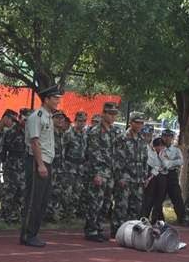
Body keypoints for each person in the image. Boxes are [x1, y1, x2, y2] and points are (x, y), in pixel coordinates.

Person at [20, 86, 62, 247]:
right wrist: (40, 164)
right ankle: (27, 234)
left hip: (46, 161)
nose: (58, 101)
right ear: (46, 99)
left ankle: (33, 233)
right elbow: (35, 141)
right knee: (33, 200)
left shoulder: (48, 116)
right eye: (55, 98)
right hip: (37, 161)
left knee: (43, 200)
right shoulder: (37, 116)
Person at [83, 101, 121, 242]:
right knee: (95, 202)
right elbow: (93, 153)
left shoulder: (115, 131)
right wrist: (97, 173)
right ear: (103, 114)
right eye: (110, 114)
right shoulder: (95, 131)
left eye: (114, 114)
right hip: (99, 172)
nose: (112, 117)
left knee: (106, 203)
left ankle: (98, 228)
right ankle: (91, 229)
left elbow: (117, 152)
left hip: (110, 173)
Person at [113, 112, 148, 234]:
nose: (139, 125)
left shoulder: (142, 139)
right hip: (125, 177)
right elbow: (116, 159)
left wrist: (144, 177)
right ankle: (117, 230)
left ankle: (129, 232)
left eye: (141, 123)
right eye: (136, 122)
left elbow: (144, 159)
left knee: (136, 207)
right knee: (121, 206)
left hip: (138, 179)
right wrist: (120, 177)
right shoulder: (122, 138)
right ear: (130, 123)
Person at [1, 109, 30, 224]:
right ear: (19, 119)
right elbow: (4, 149)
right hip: (12, 165)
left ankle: (16, 215)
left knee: (22, 191)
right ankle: (5, 215)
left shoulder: (29, 133)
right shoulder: (11, 132)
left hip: (24, 165)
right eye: (25, 119)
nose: (26, 122)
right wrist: (3, 163)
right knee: (10, 191)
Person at [62, 111, 88, 219]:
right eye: (80, 121)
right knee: (67, 191)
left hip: (80, 167)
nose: (82, 123)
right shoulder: (68, 134)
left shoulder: (85, 135)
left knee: (77, 191)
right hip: (69, 166)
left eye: (84, 121)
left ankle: (72, 214)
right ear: (75, 121)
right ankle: (64, 213)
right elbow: (63, 150)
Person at [48, 110, 70, 222]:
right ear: (52, 119)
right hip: (50, 167)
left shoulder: (62, 134)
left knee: (56, 191)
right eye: (58, 118)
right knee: (47, 191)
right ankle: (45, 215)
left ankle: (51, 214)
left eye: (62, 118)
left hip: (59, 168)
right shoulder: (48, 133)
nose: (61, 120)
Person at [160, 129, 185, 223]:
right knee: (159, 197)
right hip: (161, 174)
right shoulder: (159, 148)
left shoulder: (176, 150)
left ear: (172, 138)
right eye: (165, 136)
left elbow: (181, 161)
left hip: (172, 174)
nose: (167, 138)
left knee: (177, 196)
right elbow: (162, 162)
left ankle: (182, 218)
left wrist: (170, 162)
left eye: (169, 136)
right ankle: (158, 218)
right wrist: (172, 162)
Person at [142, 137, 167, 223]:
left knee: (159, 199)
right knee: (148, 199)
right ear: (154, 146)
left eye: (162, 146)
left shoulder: (164, 153)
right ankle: (144, 218)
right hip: (151, 177)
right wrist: (149, 178)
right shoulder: (150, 153)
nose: (160, 148)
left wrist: (162, 159)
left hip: (161, 177)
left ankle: (155, 219)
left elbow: (167, 165)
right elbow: (154, 165)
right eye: (158, 146)